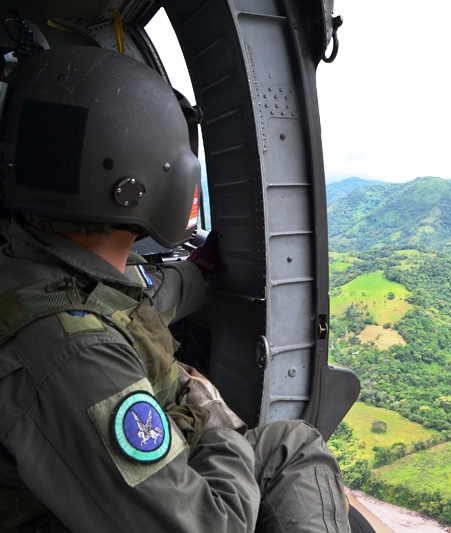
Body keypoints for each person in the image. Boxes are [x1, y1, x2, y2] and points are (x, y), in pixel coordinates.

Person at [0, 46, 350, 532]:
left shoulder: (33, 259)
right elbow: (214, 526)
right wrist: (206, 411)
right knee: (291, 455)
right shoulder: (75, 354)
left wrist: (197, 273)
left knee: (291, 442)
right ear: (140, 181)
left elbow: (135, 295)